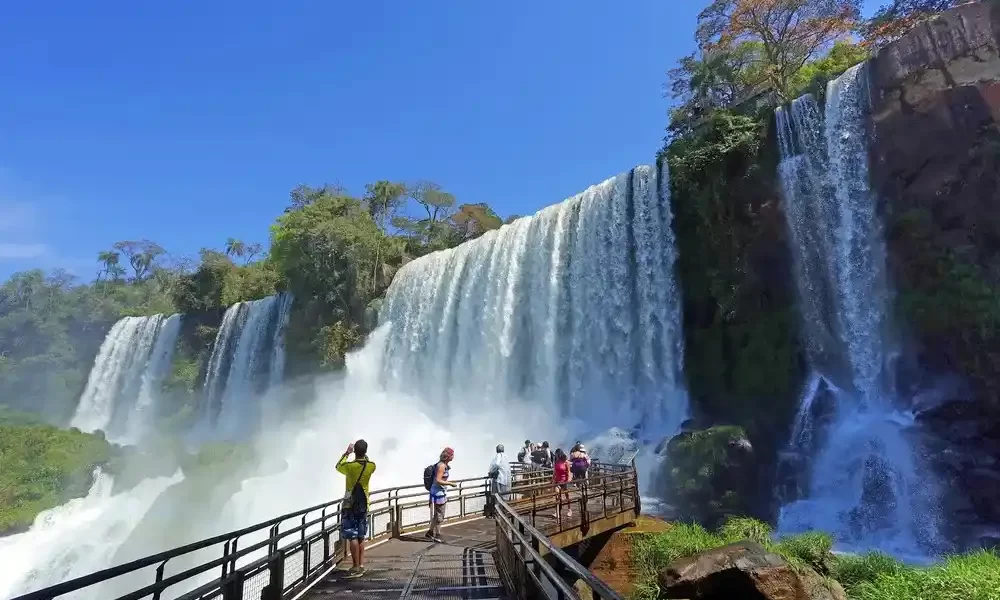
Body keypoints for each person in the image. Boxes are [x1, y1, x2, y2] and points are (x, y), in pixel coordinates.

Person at [336, 439, 376, 578]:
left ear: (355, 451)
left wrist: (347, 453)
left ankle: (355, 566)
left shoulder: (350, 467)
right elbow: (368, 461)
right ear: (365, 451)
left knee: (352, 535)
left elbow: (338, 466)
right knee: (361, 536)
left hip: (350, 505)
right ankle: (362, 564)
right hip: (364, 504)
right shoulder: (371, 466)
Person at [426, 447, 456, 543]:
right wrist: (450, 483)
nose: (453, 457)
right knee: (440, 515)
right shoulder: (441, 466)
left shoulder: (443, 465)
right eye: (452, 455)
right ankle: (437, 535)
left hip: (438, 492)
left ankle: (430, 532)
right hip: (438, 493)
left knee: (437, 514)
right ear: (448, 456)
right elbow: (438, 480)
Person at [551, 448, 572, 517]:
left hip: (564, 481)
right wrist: (552, 479)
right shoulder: (556, 462)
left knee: (567, 496)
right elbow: (555, 472)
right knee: (557, 496)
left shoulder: (566, 462)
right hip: (557, 481)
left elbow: (568, 471)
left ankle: (569, 510)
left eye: (556, 454)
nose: (555, 455)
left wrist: (568, 479)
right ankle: (557, 512)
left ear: (559, 454)